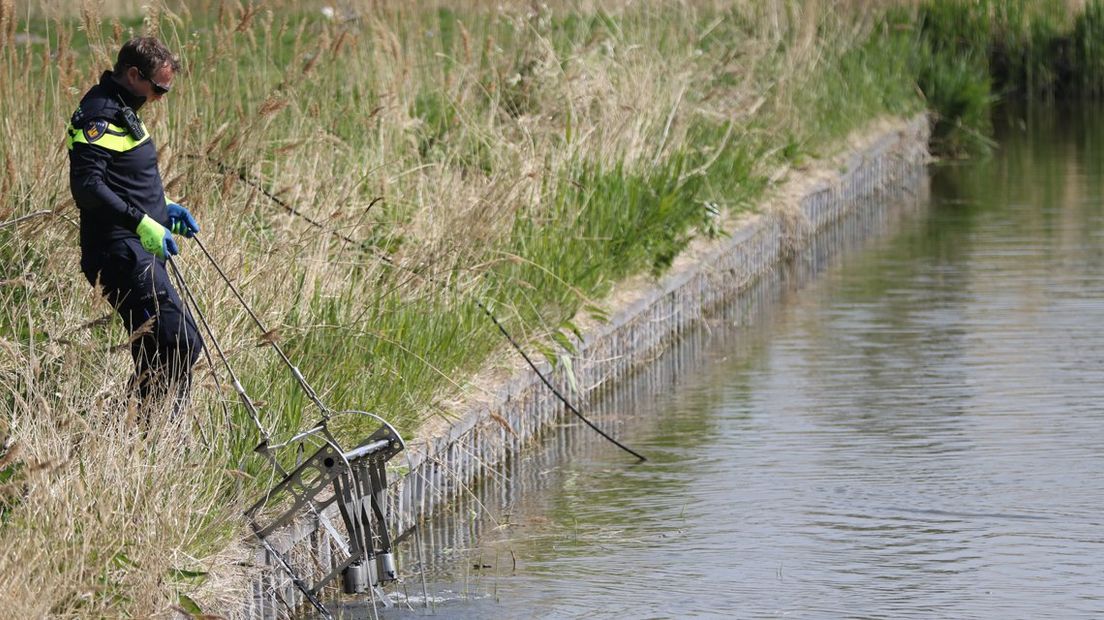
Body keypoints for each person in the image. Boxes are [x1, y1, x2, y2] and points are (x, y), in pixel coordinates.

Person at [67, 36, 203, 415]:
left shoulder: (123, 107)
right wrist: (142, 221)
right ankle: (151, 428)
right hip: (120, 251)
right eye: (158, 88)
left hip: (138, 247)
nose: (160, 97)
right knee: (181, 342)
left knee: (155, 349)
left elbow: (122, 177)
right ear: (132, 74)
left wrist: (164, 207)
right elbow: (87, 187)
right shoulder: (98, 116)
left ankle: (141, 433)